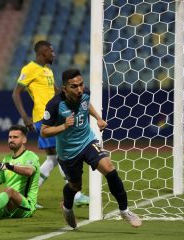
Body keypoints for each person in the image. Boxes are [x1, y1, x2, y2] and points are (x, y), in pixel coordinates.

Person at [40, 69, 142, 229]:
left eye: (81, 84)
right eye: (74, 86)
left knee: (109, 168)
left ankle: (124, 211)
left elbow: (86, 105)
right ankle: (67, 207)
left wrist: (99, 118)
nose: (79, 89)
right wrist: (63, 126)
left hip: (87, 141)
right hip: (68, 152)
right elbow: (44, 131)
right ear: (65, 88)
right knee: (75, 186)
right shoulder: (54, 104)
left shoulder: (85, 93)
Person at [12, 40, 104, 207]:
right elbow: (16, 93)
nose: (54, 54)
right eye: (51, 51)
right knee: (61, 156)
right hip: (44, 117)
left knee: (53, 158)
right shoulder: (29, 69)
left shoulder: (47, 70)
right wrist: (25, 116)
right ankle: (75, 195)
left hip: (56, 115)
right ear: (43, 53)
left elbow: (57, 92)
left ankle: (25, 196)